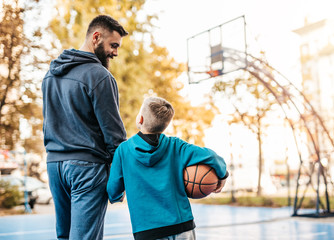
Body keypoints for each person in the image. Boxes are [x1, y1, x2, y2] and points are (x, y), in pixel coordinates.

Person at [42, 15, 128, 240]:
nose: (115, 53)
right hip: (86, 169)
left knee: (65, 236)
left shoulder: (50, 74)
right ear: (96, 37)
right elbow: (114, 135)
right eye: (114, 45)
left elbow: (47, 123)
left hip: (54, 166)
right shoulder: (100, 76)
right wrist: (120, 179)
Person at [107, 96, 228, 240]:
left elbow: (113, 191)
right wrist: (223, 175)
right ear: (165, 126)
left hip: (147, 231)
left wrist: (118, 196)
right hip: (182, 225)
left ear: (140, 119)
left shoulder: (123, 150)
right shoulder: (175, 146)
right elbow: (212, 157)